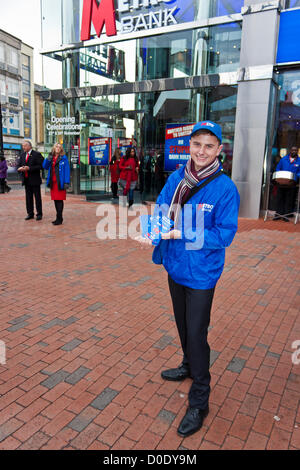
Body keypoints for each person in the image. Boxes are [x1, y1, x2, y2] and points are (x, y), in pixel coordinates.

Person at [136, 121, 240, 438]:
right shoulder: (177, 178)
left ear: (219, 150)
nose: (201, 151)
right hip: (176, 265)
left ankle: (200, 398)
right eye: (197, 144)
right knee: (182, 324)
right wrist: (151, 232)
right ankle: (187, 363)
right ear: (190, 146)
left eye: (209, 145)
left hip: (202, 273)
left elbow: (225, 234)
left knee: (196, 333)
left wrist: (183, 231)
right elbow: (163, 212)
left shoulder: (225, 188)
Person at [43, 143, 70, 225]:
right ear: (53, 148)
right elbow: (45, 166)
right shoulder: (51, 157)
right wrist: (48, 159)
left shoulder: (64, 158)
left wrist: (66, 182)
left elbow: (67, 170)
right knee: (55, 200)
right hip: (53, 182)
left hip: (60, 183)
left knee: (59, 200)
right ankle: (58, 218)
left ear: (61, 149)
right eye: (56, 146)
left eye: (59, 147)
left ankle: (59, 218)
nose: (58, 148)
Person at [18, 141, 44, 220]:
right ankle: (30, 213)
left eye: (25, 146)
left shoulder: (37, 154)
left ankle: (39, 214)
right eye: (23, 146)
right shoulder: (22, 155)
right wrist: (20, 169)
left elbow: (41, 166)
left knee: (37, 198)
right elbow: (19, 165)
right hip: (26, 180)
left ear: (30, 146)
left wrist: (29, 168)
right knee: (28, 198)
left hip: (35, 180)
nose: (23, 147)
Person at [274, 146, 300, 221]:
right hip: (282, 182)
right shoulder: (283, 159)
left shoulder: (299, 161)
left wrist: (296, 176)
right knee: (280, 198)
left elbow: (299, 172)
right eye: (293, 150)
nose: (294, 151)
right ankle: (278, 214)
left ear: (297, 151)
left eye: (296, 150)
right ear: (290, 151)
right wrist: (280, 174)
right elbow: (278, 168)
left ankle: (286, 215)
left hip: (292, 183)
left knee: (289, 200)